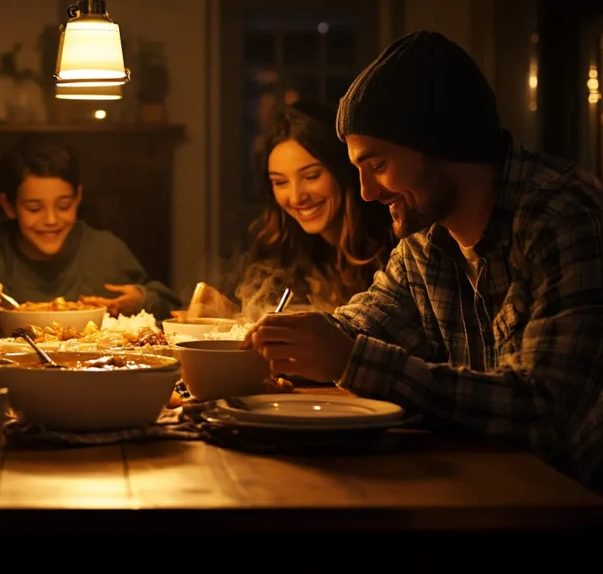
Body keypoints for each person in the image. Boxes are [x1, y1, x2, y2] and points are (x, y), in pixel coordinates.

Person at [246, 31, 603, 491]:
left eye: (376, 165)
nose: (367, 193)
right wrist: (277, 344)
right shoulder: (427, 240)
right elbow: (357, 327)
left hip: (568, 505)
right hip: (484, 491)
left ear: (440, 143)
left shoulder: (563, 217)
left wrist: (351, 360)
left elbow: (544, 412)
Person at [0, 136, 182, 323]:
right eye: (33, 208)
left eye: (63, 206)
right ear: (9, 206)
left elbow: (173, 309)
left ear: (78, 198)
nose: (51, 220)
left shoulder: (106, 251)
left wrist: (141, 300)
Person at [240, 100, 395, 313]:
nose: (296, 198)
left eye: (311, 176)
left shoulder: (393, 250)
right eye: (280, 182)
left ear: (344, 170)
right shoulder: (289, 251)